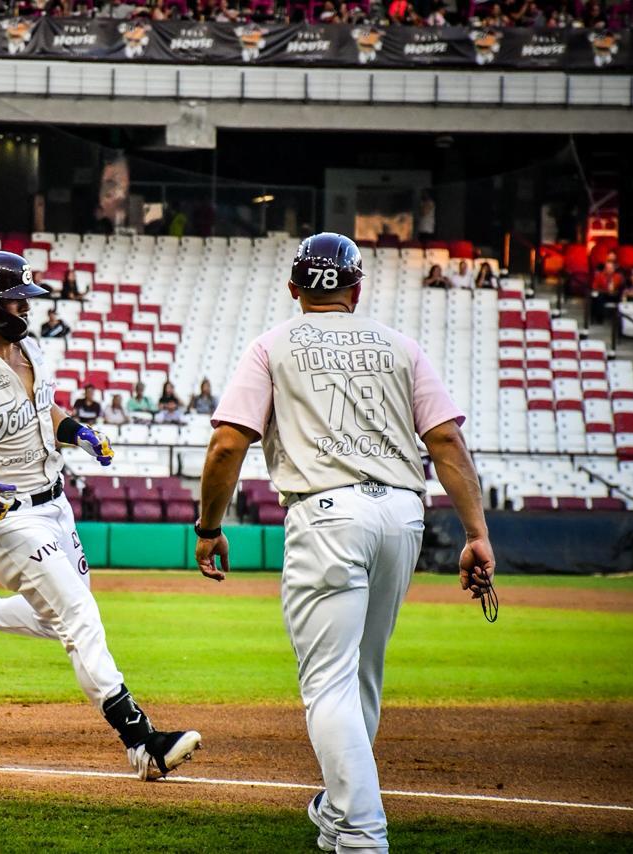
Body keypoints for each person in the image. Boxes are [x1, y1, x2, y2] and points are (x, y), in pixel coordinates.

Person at [194, 233, 495, 852]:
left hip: (327, 513)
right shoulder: (400, 346)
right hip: (401, 516)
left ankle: (362, 832)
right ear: (357, 289)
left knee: (328, 683)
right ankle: (337, 813)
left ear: (295, 288)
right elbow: (446, 443)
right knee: (362, 676)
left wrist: (209, 527)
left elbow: (228, 443)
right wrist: (476, 534)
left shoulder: (271, 345)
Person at [0, 250, 201, 780]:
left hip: (55, 505)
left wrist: (79, 432)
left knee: (54, 618)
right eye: (18, 298)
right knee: (81, 619)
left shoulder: (31, 349)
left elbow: (44, 411)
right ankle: (141, 740)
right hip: (8, 519)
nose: (27, 308)